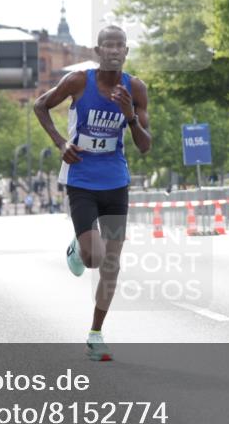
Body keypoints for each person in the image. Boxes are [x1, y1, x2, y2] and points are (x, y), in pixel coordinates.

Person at [33, 25, 151, 361]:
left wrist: (130, 116)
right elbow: (40, 106)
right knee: (94, 258)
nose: (114, 51)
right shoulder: (79, 82)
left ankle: (96, 333)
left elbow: (144, 146)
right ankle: (78, 247)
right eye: (107, 46)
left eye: (120, 46)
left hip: (115, 182)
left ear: (126, 52)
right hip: (81, 179)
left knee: (111, 264)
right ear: (98, 52)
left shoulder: (136, 88)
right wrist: (60, 143)